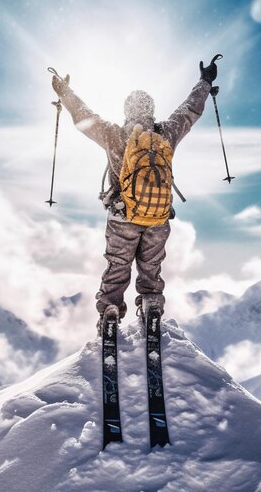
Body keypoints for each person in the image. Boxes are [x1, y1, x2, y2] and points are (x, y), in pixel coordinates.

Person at [51, 57, 220, 333]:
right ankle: (152, 302)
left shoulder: (113, 134)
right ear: (151, 111)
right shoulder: (165, 133)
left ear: (127, 111)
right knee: (151, 266)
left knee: (117, 265)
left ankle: (110, 311)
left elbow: (83, 116)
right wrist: (204, 82)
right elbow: (189, 111)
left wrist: (64, 93)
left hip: (122, 216)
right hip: (158, 217)